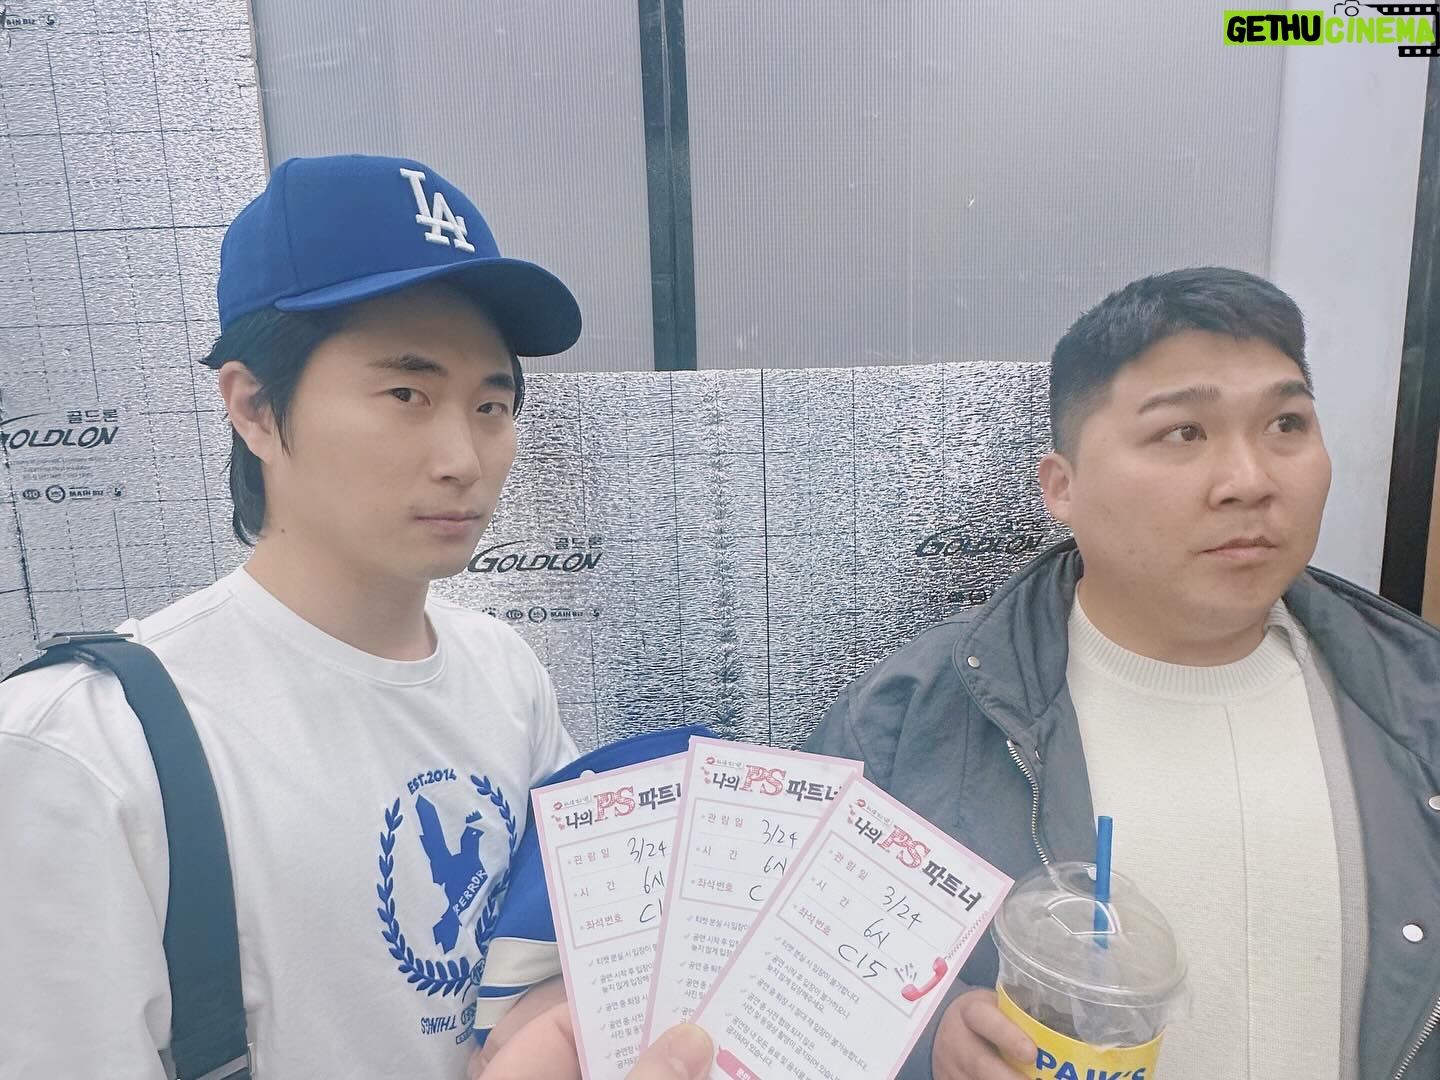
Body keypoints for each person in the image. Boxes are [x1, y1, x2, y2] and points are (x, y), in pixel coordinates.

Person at [0, 154, 584, 1078]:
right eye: (407, 395)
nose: (463, 457)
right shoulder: (85, 746)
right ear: (256, 408)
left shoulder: (505, 673)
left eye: (491, 404)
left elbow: (563, 963)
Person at [806, 267, 1440, 1080]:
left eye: (1286, 423)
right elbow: (791, 987)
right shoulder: (912, 718)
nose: (1249, 481)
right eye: (1183, 433)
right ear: (1062, 488)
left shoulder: (1419, 701)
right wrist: (933, 1044)